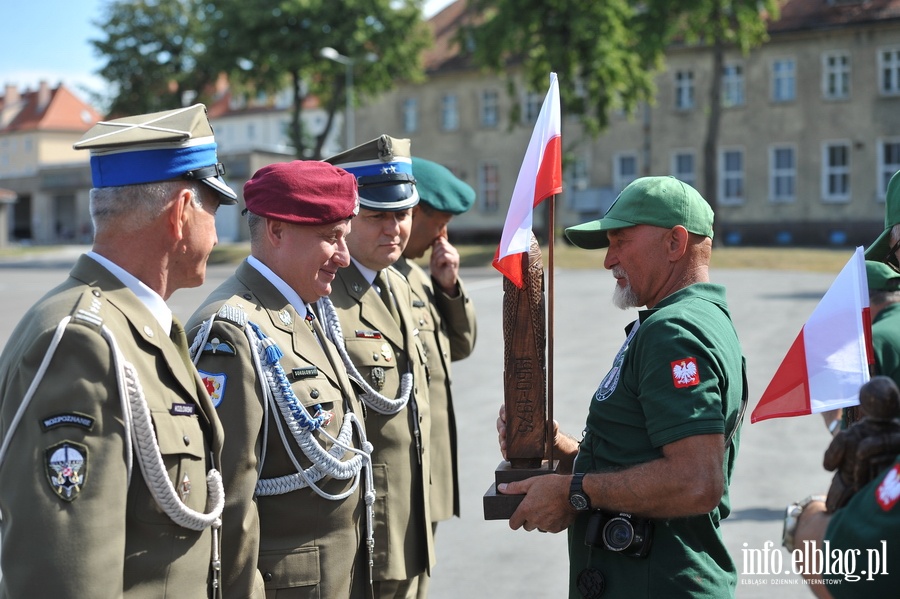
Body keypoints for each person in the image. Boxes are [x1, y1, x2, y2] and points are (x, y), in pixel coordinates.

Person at [0, 104, 236, 598]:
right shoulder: (84, 341)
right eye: (214, 209)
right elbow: (67, 572)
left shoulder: (139, 324)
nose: (216, 233)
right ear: (181, 212)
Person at [496, 176, 747, 598]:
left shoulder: (675, 332)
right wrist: (559, 446)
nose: (609, 259)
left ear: (675, 243)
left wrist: (574, 493)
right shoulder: (685, 319)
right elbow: (638, 456)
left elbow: (696, 481)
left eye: (621, 240)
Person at [185, 160, 373, 598]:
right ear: (276, 231)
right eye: (331, 238)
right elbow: (229, 505)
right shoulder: (229, 331)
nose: (344, 258)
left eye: (344, 238)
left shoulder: (302, 309)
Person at [321, 135, 434, 598]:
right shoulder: (326, 295)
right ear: (346, 219)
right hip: (366, 529)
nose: (394, 228)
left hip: (412, 520)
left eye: (402, 214)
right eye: (376, 215)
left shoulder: (399, 282)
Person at [395, 156, 477, 599]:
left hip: (430, 472)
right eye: (438, 222)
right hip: (400, 480)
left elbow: (458, 347)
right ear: (413, 211)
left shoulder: (417, 277)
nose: (442, 235)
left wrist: (448, 287)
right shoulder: (374, 276)